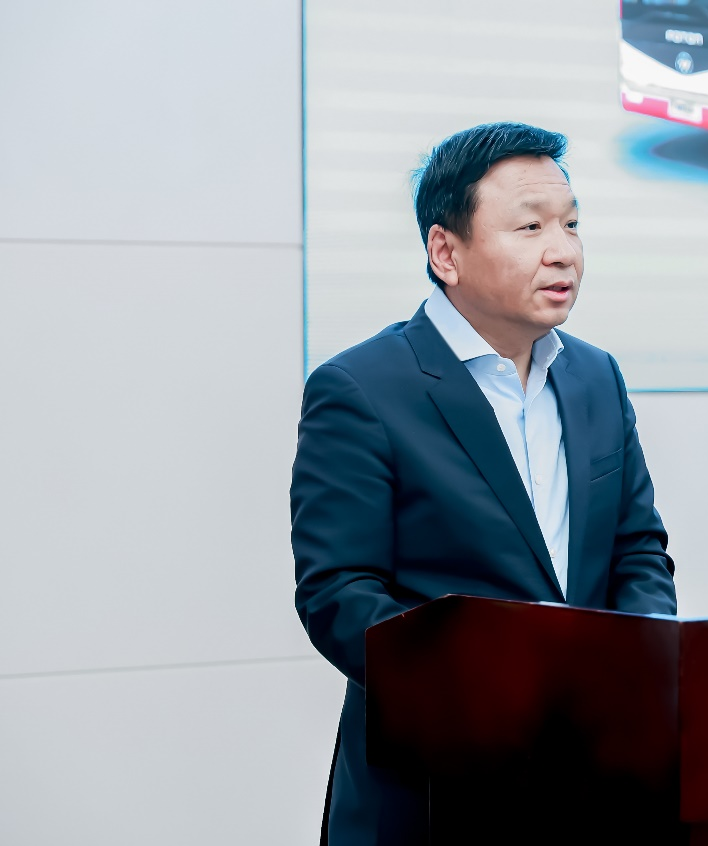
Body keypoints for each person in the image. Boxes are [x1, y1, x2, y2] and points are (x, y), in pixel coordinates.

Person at [290, 122, 678, 846]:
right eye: (530, 227)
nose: (562, 251)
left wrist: (643, 662)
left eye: (570, 224)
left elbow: (637, 549)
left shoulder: (594, 375)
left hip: (593, 781)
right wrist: (491, 690)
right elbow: (338, 592)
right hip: (434, 791)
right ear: (446, 253)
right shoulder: (362, 388)